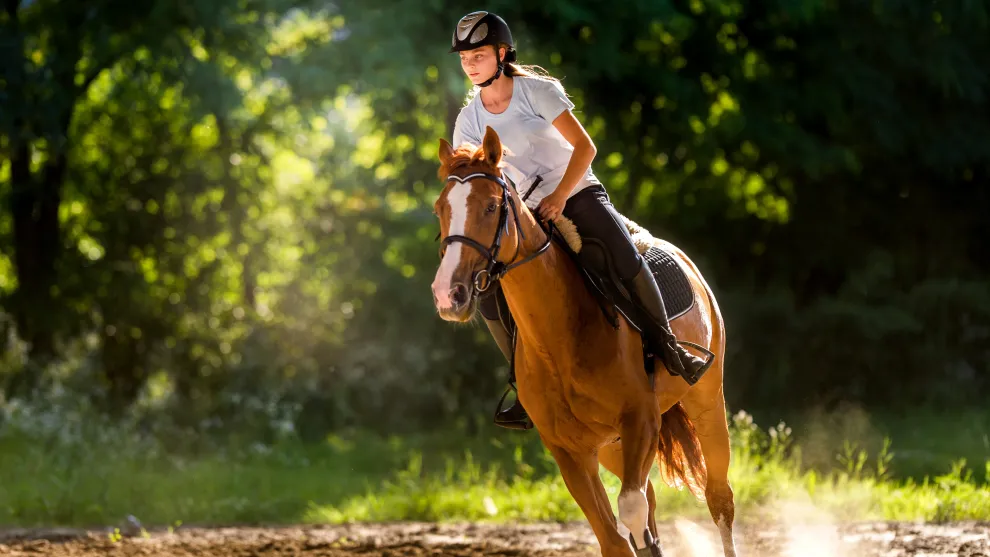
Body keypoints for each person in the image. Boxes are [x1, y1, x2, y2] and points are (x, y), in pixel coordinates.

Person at [448, 11, 712, 429]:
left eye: (478, 54)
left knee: (623, 257)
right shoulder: (469, 120)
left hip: (576, 193)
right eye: (464, 57)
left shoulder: (537, 91)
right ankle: (522, 383)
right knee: (489, 294)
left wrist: (558, 195)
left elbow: (584, 148)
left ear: (501, 54)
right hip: (524, 216)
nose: (470, 63)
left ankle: (670, 347)